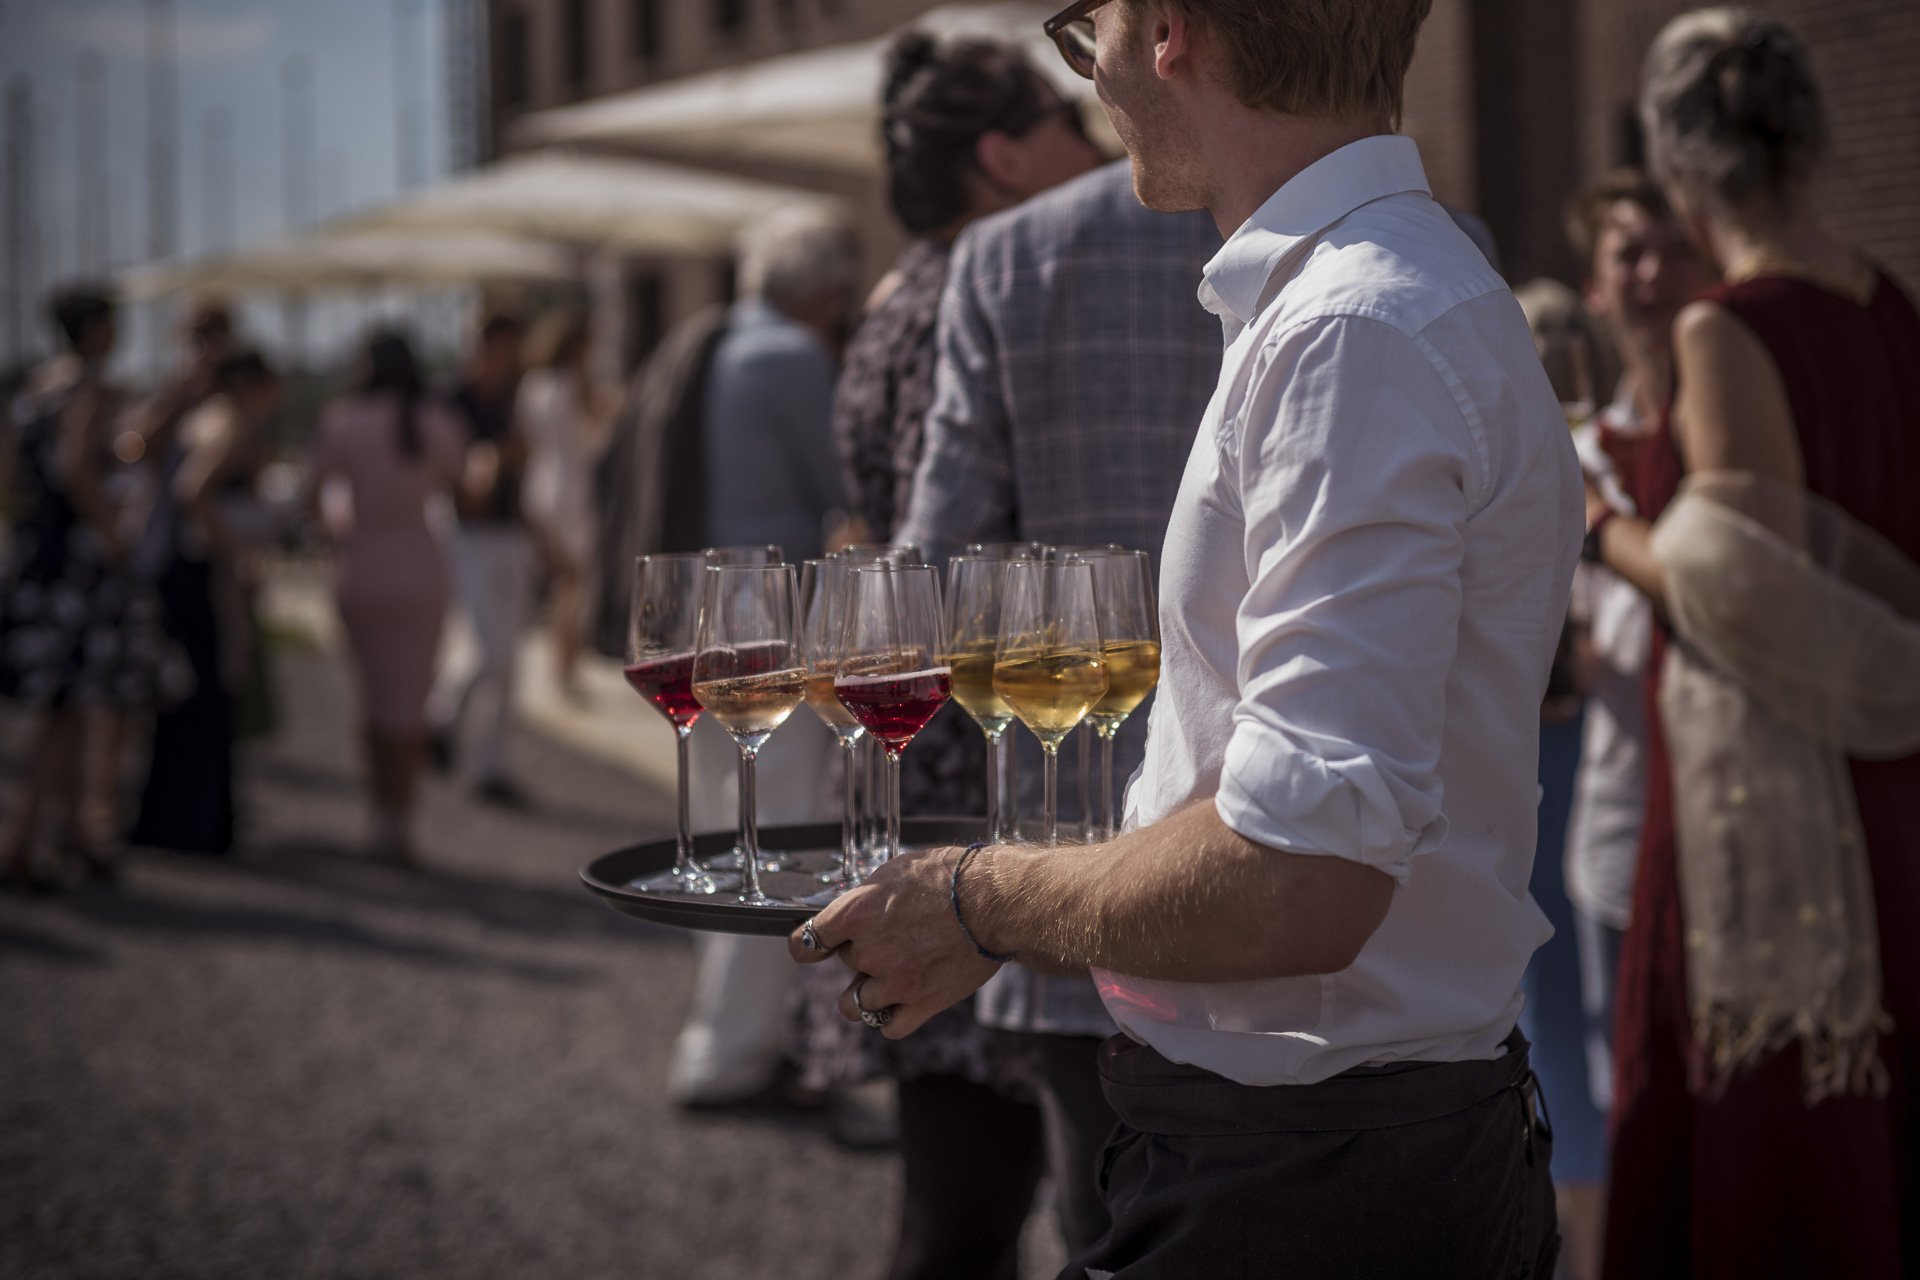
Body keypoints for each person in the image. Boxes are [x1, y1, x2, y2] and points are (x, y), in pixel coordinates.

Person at [793, 0, 1580, 1275]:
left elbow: (1299, 879)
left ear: (1167, 30)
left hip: (1311, 1178)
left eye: (1082, 27)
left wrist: (972, 899)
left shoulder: (1350, 332)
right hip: (1336, 1150)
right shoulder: (1360, 298)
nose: (1088, 71)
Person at [1588, 11, 1920, 1277]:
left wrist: (1605, 524)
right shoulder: (1890, 301)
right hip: (1887, 781)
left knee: (1775, 1138)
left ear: (1677, 168)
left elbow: (1735, 587)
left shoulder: (1725, 325)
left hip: (1777, 805)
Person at [797, 31, 1104, 1279]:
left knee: (963, 1193)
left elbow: (870, 543)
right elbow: (947, 571)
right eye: (1063, 121)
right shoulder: (983, 292)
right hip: (981, 776)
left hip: (926, 760)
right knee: (979, 1206)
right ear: (1001, 157)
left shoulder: (890, 301)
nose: (1092, 144)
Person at [888, 154, 1222, 1261]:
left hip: (1075, 845)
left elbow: (930, 572)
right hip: (1327, 850)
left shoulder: (1009, 255)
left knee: (1108, 1219)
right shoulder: (1422, 235)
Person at [666, 210, 858, 1108]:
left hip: (702, 622)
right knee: (771, 840)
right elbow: (845, 484)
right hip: (768, 620)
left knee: (721, 833)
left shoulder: (707, 345)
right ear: (822, 291)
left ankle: (726, 1038)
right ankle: (731, 1054)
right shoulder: (791, 356)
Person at [0, 286, 173, 889]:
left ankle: (71, 831)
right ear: (96, 329)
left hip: (38, 559)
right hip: (78, 565)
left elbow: (11, 469)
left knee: (68, 702)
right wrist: (112, 534)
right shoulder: (90, 389)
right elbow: (78, 466)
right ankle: (23, 840)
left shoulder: (36, 387)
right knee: (70, 702)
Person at [310, 331, 465, 862]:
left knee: (374, 699)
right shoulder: (436, 423)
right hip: (418, 564)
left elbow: (316, 498)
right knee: (411, 700)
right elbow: (463, 485)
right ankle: (399, 816)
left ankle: (381, 812)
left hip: (361, 564)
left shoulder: (342, 421)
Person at [128, 348, 283, 857]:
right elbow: (192, 489)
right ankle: (197, 822)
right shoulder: (235, 425)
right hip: (202, 573)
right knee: (209, 694)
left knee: (181, 696)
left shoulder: (203, 418)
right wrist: (231, 548)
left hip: (181, 570)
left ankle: (173, 815)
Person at [429, 313, 535, 806]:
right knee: (483, 649)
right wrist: (493, 460)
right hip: (467, 534)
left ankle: (488, 762)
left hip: (510, 532)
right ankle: (440, 719)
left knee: (508, 658)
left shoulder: (512, 398)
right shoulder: (453, 401)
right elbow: (460, 485)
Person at [519, 310, 615, 702]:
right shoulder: (574, 384)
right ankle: (566, 666)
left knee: (561, 582)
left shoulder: (532, 385)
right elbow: (592, 435)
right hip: (572, 489)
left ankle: (560, 663)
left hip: (540, 484)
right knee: (573, 585)